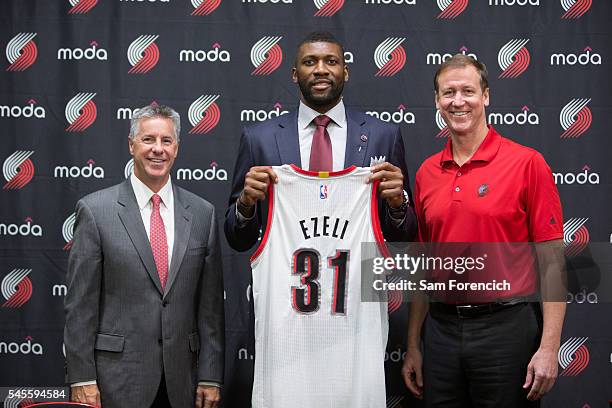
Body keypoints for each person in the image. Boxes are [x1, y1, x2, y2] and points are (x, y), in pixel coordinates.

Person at [401, 54, 566, 407]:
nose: (458, 102)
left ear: (486, 95)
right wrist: (414, 343)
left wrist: (550, 348)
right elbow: (421, 268)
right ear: (437, 102)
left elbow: (552, 263)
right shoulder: (427, 172)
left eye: (467, 91)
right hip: (442, 333)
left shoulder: (527, 163)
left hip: (506, 330)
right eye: (448, 93)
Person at [64, 104, 224, 408]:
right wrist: (82, 379)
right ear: (131, 145)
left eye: (166, 141)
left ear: (176, 148)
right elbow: (80, 306)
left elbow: (211, 310)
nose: (158, 150)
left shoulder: (204, 214)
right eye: (148, 139)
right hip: (115, 381)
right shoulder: (96, 211)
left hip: (182, 383)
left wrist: (211, 376)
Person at [224, 31, 417, 251]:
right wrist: (245, 205)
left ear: (345, 73)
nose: (321, 70)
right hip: (282, 280)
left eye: (331, 61)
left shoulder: (384, 136)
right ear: (295, 74)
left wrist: (398, 205)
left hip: (355, 281)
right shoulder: (259, 139)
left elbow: (404, 238)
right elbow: (237, 240)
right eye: (309, 62)